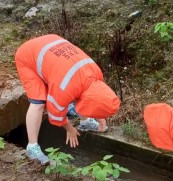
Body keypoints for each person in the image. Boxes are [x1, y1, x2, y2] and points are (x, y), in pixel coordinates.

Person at [15, 34, 120, 165]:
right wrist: (69, 129)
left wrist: (99, 115)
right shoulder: (64, 88)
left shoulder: (96, 74)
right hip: (27, 56)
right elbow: (54, 114)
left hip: (51, 42)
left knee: (79, 90)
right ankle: (32, 147)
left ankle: (85, 122)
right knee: (39, 102)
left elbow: (86, 96)